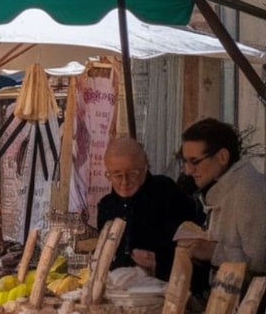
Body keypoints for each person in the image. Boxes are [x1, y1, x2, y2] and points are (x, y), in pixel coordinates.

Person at [95, 137, 196, 281]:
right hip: (119, 292)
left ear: (145, 168)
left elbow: (194, 252)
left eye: (132, 174)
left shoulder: (167, 194)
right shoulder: (107, 206)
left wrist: (158, 261)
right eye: (117, 175)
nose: (124, 182)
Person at [178, 118, 266, 280]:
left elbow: (260, 263)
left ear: (223, 157)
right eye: (185, 162)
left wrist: (214, 251)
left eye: (195, 162)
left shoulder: (249, 191)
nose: (188, 171)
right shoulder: (222, 189)